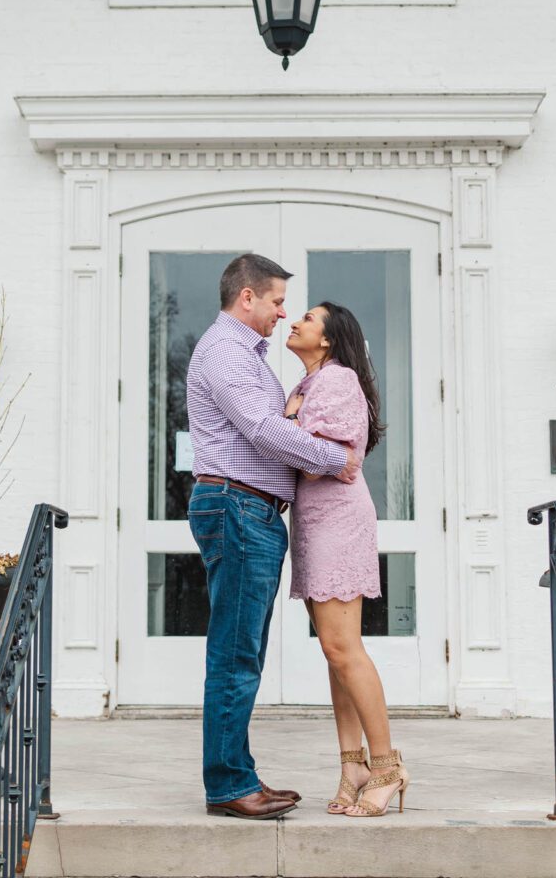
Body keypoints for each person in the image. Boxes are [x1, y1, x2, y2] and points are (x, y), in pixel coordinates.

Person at [186, 254, 360, 821]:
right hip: (237, 507)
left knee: (242, 652)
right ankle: (230, 785)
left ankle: (236, 775)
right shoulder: (225, 351)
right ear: (248, 298)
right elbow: (264, 430)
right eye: (278, 301)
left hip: (249, 510)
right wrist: (338, 459)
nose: (283, 313)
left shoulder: (245, 353)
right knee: (236, 655)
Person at [284, 301, 409, 817]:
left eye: (308, 319)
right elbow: (300, 451)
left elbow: (315, 463)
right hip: (314, 524)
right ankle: (351, 764)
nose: (295, 322)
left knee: (344, 649)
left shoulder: (337, 382)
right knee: (334, 653)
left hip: (337, 520)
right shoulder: (304, 387)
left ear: (330, 338)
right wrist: (290, 425)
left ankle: (387, 767)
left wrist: (287, 430)